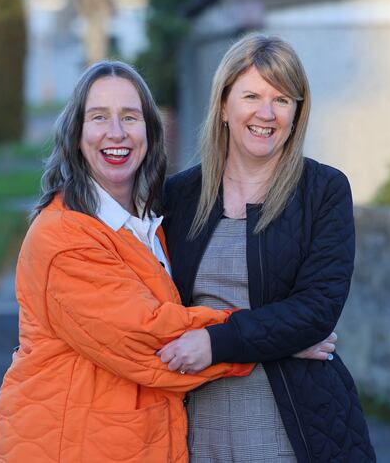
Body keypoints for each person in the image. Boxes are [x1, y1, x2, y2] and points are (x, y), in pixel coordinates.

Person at [0, 61, 336, 463]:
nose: (116, 132)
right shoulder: (64, 236)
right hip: (73, 445)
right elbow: (152, 339)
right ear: (75, 134)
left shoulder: (149, 224)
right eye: (99, 117)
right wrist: (279, 337)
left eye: (130, 117)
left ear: (151, 133)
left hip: (133, 441)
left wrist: (270, 334)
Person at [160, 34, 377, 462]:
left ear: (297, 113)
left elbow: (316, 310)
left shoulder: (323, 191)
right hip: (194, 426)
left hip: (293, 426)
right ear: (224, 106)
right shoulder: (177, 197)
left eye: (282, 99)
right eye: (252, 96)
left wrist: (217, 342)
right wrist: (277, 339)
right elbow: (150, 308)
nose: (267, 113)